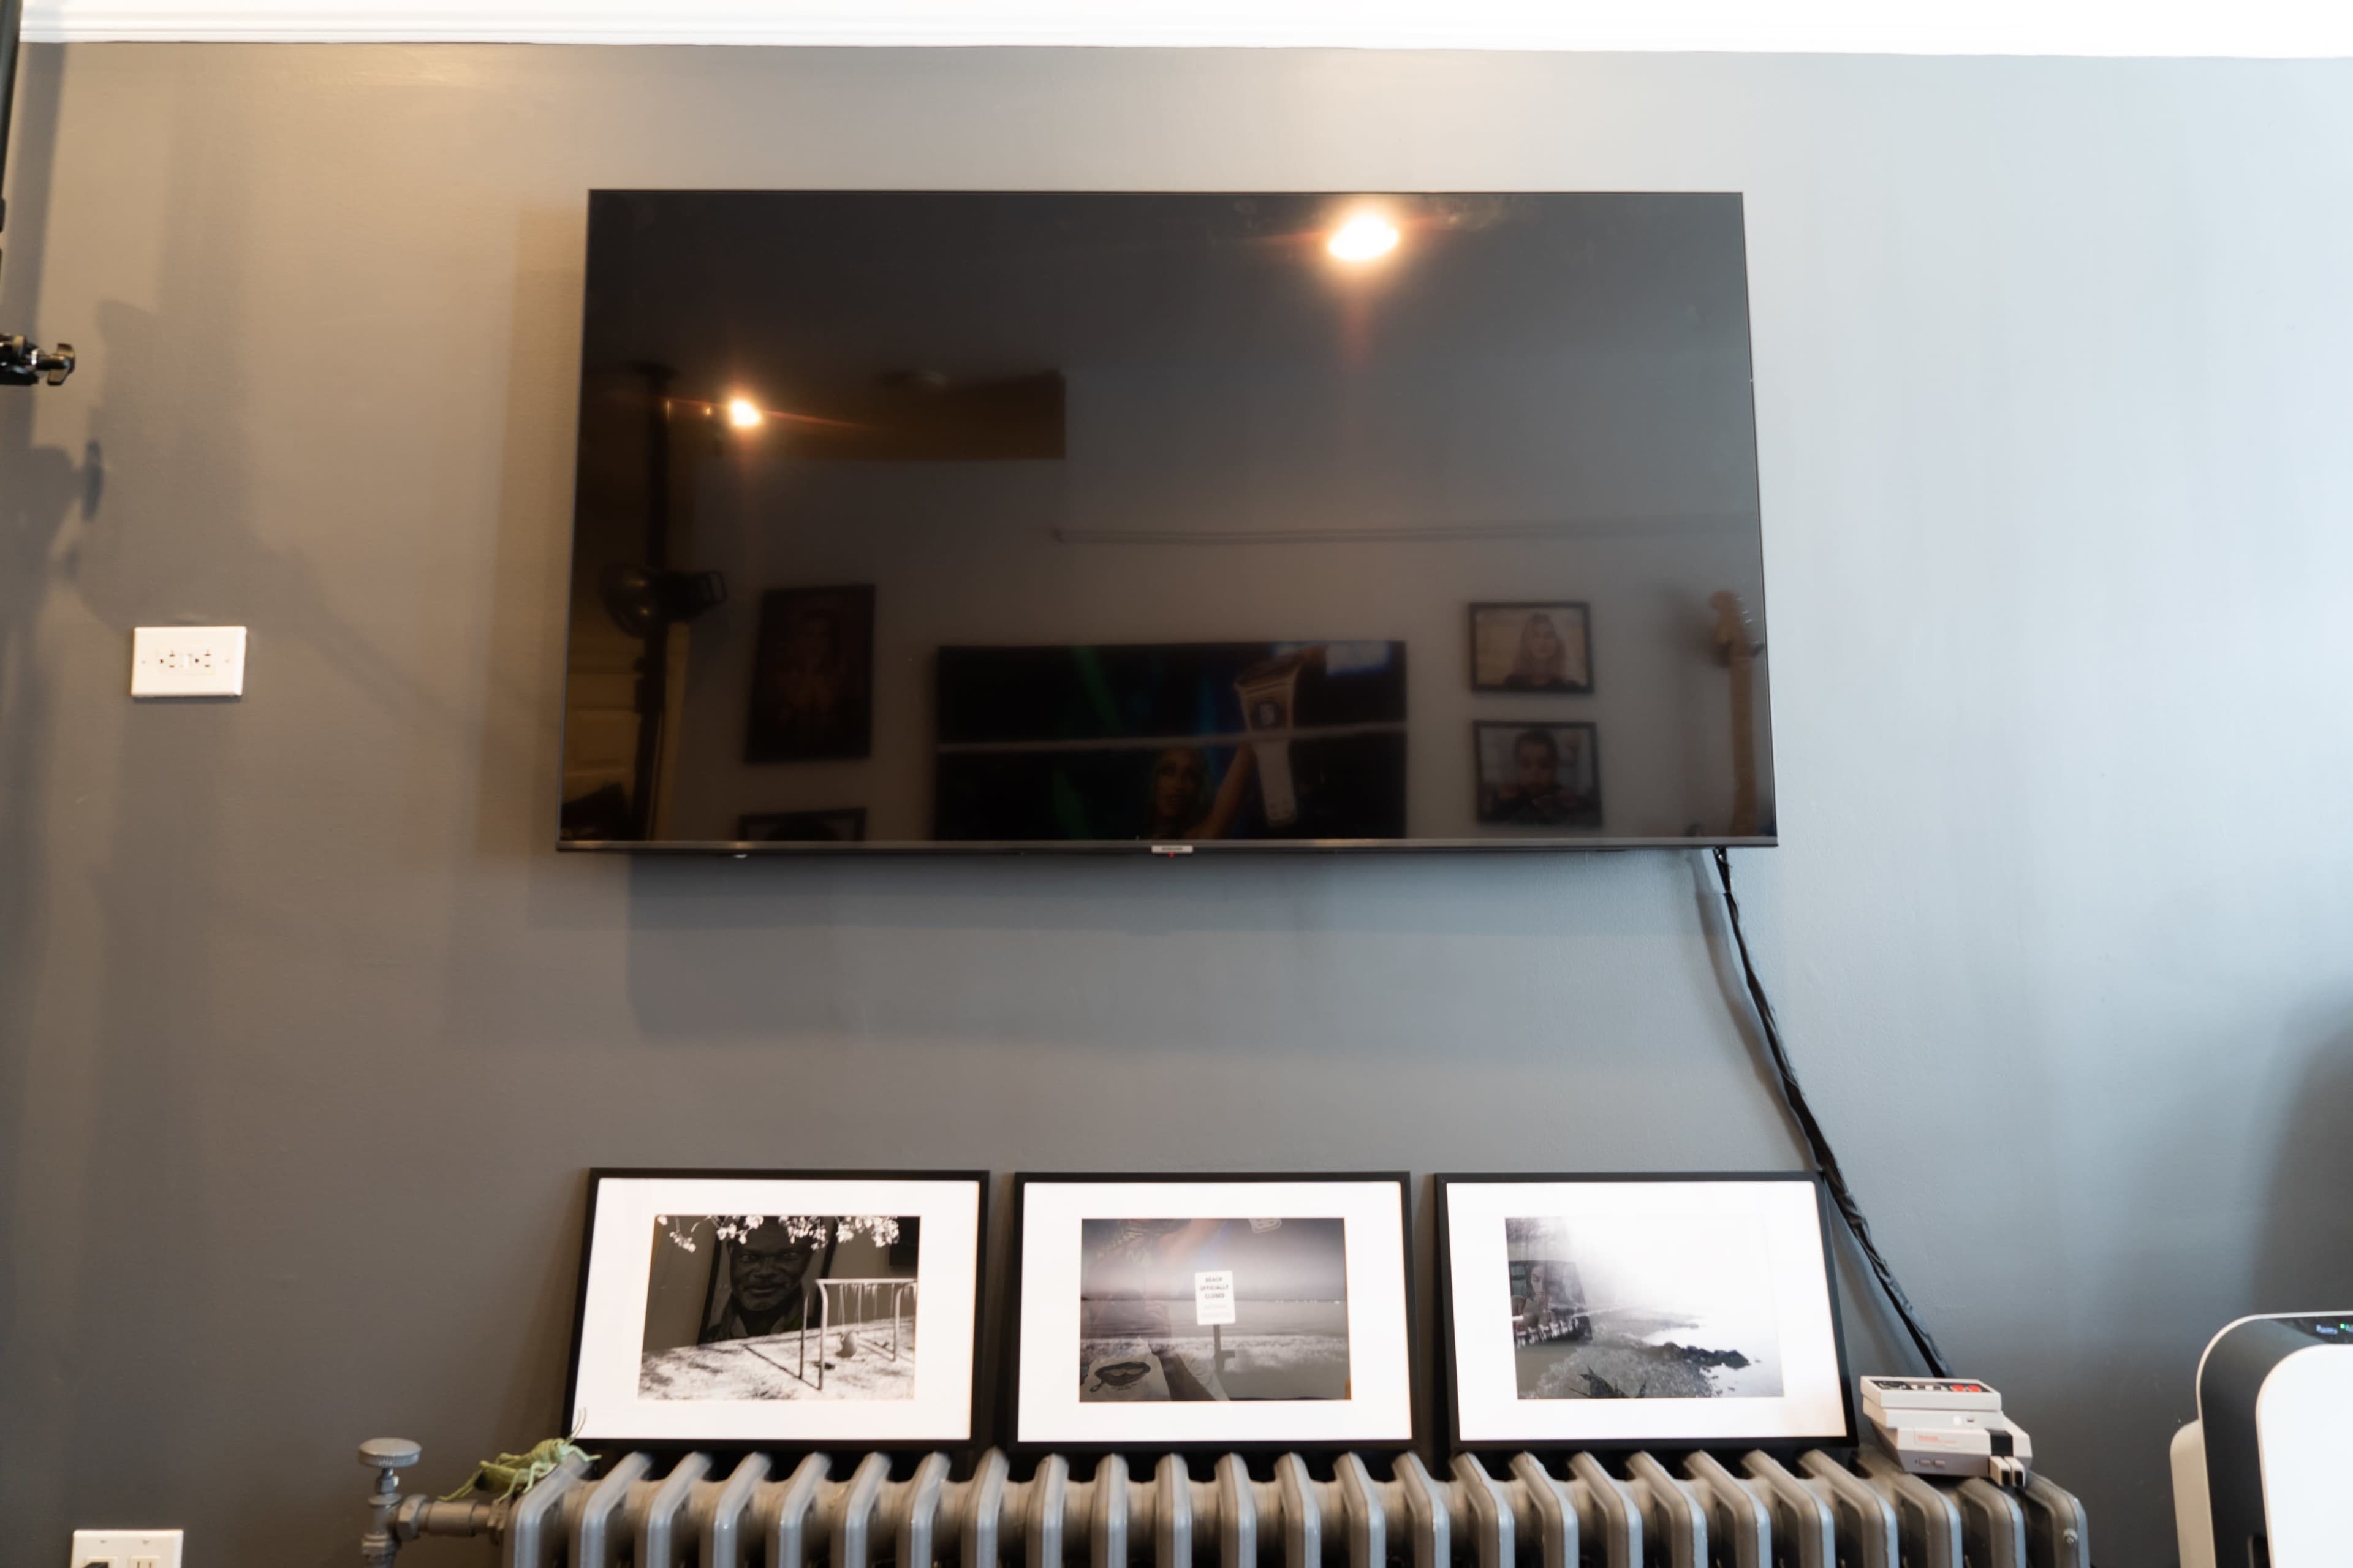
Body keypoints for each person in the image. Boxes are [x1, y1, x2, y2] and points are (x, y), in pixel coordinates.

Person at [699, 1222, 829, 1344]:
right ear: (731, 1252)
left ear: (810, 1255)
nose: (765, 1272)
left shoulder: (821, 1334)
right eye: (749, 1257)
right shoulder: (709, 1333)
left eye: (788, 1256)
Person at [1141, 745, 1259, 841]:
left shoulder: (1201, 839)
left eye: (1190, 775)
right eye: (1169, 772)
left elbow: (1246, 756)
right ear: (1154, 779)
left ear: (1199, 788)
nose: (1178, 784)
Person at [1487, 728, 1586, 824]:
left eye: (1544, 766)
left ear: (1555, 769)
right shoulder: (1511, 797)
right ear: (1516, 768)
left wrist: (1574, 806)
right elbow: (1491, 825)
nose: (1535, 772)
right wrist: (1502, 803)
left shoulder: (1561, 797)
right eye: (1526, 765)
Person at [1503, 611, 1577, 690]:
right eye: (1536, 636)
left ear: (1558, 642)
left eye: (1549, 636)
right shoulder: (1512, 683)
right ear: (1526, 642)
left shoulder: (1570, 686)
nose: (1542, 642)